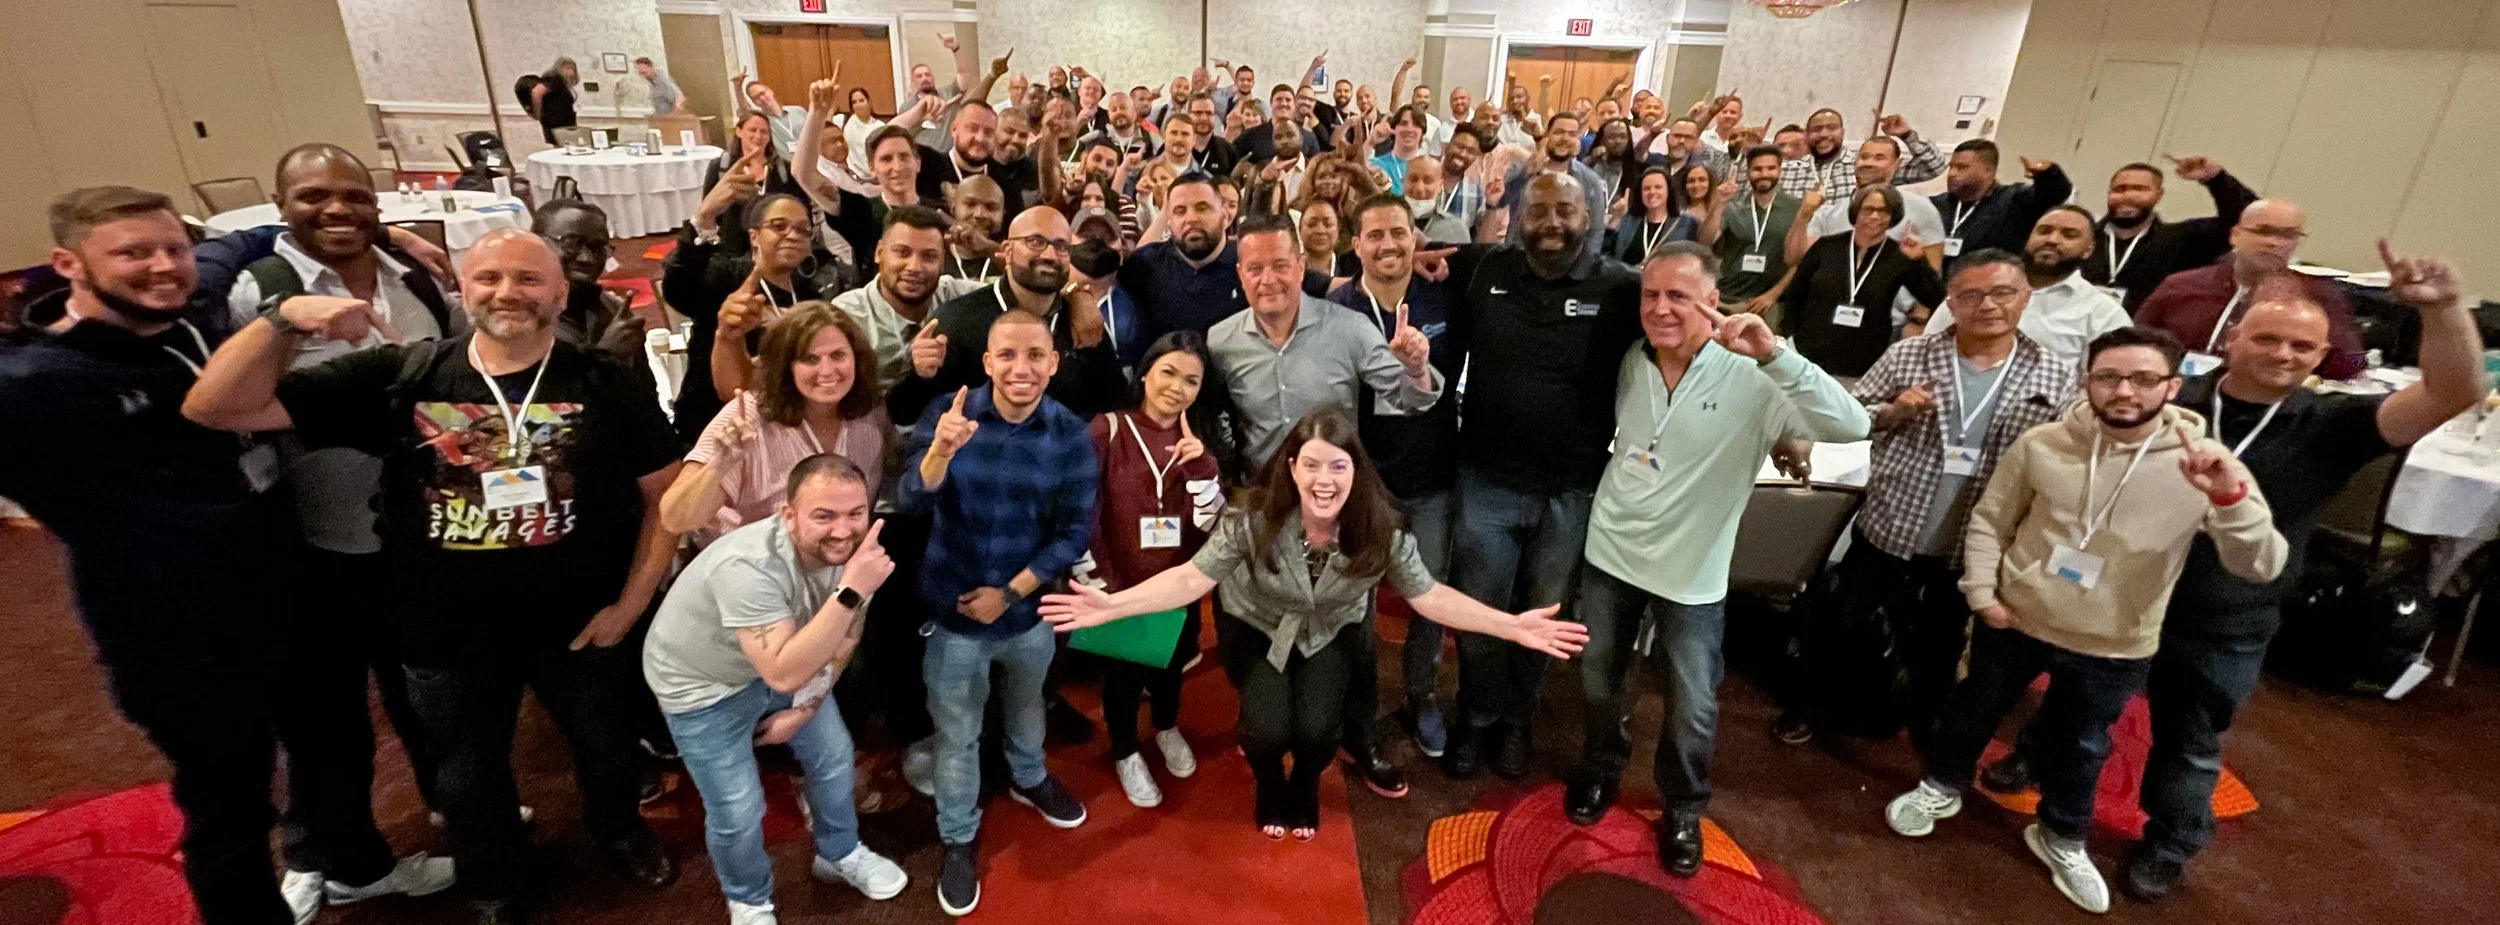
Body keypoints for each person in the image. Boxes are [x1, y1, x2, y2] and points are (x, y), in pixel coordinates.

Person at [183, 229, 686, 923]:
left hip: (581, 620)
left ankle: (620, 830)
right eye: (489, 278)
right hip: (443, 629)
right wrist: (279, 319)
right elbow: (214, 405)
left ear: (560, 292)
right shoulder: (402, 374)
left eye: (527, 278)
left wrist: (631, 604)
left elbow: (669, 496)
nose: (507, 292)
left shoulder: (603, 380)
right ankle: (495, 876)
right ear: (461, 288)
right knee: (467, 770)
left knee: (606, 749)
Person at [1, 186, 454, 925]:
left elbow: (248, 239)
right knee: (229, 799)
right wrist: (282, 317)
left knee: (333, 742)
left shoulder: (194, 303)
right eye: (133, 253)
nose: (162, 267)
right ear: (67, 263)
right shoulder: (34, 384)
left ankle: (354, 866)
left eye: (172, 248)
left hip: (289, 585)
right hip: (176, 630)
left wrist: (391, 235)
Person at [1977, 244, 2481, 902]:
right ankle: (2038, 758)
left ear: (2322, 355)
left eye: (2302, 346)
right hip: (2118, 598)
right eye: (2266, 336)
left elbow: (2455, 392)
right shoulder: (2168, 397)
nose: (2282, 354)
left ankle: (2169, 842)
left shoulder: (2335, 425)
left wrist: (2442, 309)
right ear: (2232, 337)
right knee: (2077, 701)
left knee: (2188, 742)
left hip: (2222, 614)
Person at [1883, 326, 2287, 915]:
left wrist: (2229, 499)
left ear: (2172, 387)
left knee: (2083, 742)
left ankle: (2061, 833)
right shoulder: (2043, 443)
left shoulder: (2205, 464)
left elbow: (2261, 565)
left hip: (2116, 639)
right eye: (2109, 376)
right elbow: (1992, 521)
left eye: (2144, 379)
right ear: (2087, 381)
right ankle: (1941, 786)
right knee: (1973, 708)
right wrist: (1980, 594)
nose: (2125, 390)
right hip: (2015, 617)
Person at [1042, 407, 1588, 841]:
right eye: (1311, 464)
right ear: (1291, 467)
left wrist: (1510, 625)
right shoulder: (1251, 519)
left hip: (1330, 630)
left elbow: (1430, 596)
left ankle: (1303, 783)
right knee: (1264, 731)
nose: (1324, 480)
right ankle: (1270, 781)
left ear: (1357, 471)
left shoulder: (1383, 530)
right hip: (1256, 628)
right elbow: (1191, 579)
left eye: (1338, 466)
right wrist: (1112, 606)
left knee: (1317, 731)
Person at [1562, 241, 1869, 875]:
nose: (1661, 308)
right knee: (1599, 680)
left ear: (1712, 300)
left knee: (1694, 702)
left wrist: (1776, 355)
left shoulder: (1755, 375)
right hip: (1611, 552)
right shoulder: (1630, 361)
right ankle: (1600, 769)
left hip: (1692, 572)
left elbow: (1850, 423)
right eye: (1651, 295)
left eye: (1679, 295)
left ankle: (1682, 807)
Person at [216, 147, 468, 913]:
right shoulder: (261, 290)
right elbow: (229, 403)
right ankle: (324, 854)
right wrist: (282, 317)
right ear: (278, 202)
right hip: (313, 540)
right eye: (314, 197)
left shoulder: (414, 279)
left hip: (417, 534)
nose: (336, 211)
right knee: (322, 717)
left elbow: (452, 379)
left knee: (423, 690)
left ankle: (448, 809)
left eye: (354, 197)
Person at [1787, 249, 2074, 746]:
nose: (1987, 305)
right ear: (1952, 302)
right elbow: (1849, 415)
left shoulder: (2055, 374)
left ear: (2025, 298)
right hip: (1892, 521)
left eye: (2002, 292)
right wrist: (1893, 411)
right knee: (1844, 621)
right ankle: (1813, 706)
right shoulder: (1909, 355)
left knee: (1941, 640)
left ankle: (1924, 716)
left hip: (1974, 538)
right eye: (1971, 295)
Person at [642, 455, 909, 925]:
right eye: (823, 515)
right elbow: (782, 673)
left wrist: (806, 708)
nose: (843, 531)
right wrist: (850, 590)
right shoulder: (749, 565)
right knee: (739, 808)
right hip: (701, 684)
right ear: (788, 514)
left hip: (785, 660)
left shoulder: (857, 554)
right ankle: (748, 899)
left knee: (834, 756)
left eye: (855, 513)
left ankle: (839, 853)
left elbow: (847, 634)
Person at [1438, 172, 1643, 780]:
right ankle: (1475, 718)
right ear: (1516, 216)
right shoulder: (1484, 271)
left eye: (1566, 210)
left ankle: (1517, 721)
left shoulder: (1621, 288)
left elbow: (1690, 336)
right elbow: (1410, 261)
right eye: (1538, 211)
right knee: (1482, 613)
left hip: (1571, 490)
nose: (1551, 222)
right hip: (1486, 482)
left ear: (1592, 216)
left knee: (1542, 617)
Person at [899, 311, 1099, 917]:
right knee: (957, 734)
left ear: (1053, 361)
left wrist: (1009, 593)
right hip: (954, 615)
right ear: (987, 363)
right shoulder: (949, 415)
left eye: (1035, 355)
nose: (1022, 368)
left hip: (1027, 613)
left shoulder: (1068, 434)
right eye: (1007, 355)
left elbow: (1071, 534)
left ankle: (1028, 775)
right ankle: (958, 838)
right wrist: (938, 452)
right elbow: (910, 499)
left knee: (1027, 706)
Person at [1328, 195, 1466, 761]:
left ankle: (1420, 693)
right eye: (1374, 235)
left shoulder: (1446, 291)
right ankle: (1355, 704)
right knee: (1355, 604)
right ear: (1355, 245)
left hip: (1432, 474)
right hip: (1363, 483)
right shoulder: (1335, 308)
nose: (1387, 244)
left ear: (1417, 239)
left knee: (1428, 599)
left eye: (1398, 233)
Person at [1069, 333, 1230, 808]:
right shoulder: (1107, 429)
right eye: (1169, 372)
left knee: (1172, 668)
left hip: (1176, 586)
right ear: (1145, 373)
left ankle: (1165, 726)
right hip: (1116, 583)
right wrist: (1101, 582)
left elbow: (1212, 525)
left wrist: (1202, 469)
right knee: (1121, 680)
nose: (1177, 387)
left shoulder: (1198, 444)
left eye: (1191, 380)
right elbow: (1082, 511)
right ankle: (1124, 751)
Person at [1208, 213, 1441, 464]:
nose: (1268, 280)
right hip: (1260, 494)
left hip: (1332, 491)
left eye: (1280, 266)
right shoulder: (1220, 341)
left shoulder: (1350, 329)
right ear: (1241, 275)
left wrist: (1416, 372)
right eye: (1255, 268)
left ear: (1300, 268)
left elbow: (1412, 402)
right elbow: (1211, 417)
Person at [662, 304, 889, 544]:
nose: (827, 370)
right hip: (750, 569)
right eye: (809, 359)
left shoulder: (871, 412)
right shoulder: (746, 416)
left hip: (838, 570)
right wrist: (718, 466)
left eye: (838, 355)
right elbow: (675, 520)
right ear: (785, 366)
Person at [886, 206, 1125, 423]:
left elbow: (1117, 405)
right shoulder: (958, 321)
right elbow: (903, 414)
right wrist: (919, 377)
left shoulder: (1084, 324)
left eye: (1061, 246)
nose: (1050, 255)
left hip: (1061, 463)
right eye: (1035, 241)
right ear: (1007, 251)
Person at [2133, 198, 2365, 380]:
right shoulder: (2182, 285)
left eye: (2287, 235)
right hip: (2179, 393)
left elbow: (2352, 366)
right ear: (2236, 235)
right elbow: (2133, 341)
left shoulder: (2317, 296)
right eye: (2264, 231)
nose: (2273, 242)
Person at [666, 191, 829, 443]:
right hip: (717, 423)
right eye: (778, 226)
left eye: (803, 229)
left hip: (783, 424)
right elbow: (680, 289)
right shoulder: (727, 276)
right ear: (754, 236)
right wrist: (704, 218)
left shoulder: (810, 293)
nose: (792, 235)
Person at [1122, 174, 1323, 341]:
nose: (1191, 218)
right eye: (1180, 211)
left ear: (1225, 215)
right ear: (1169, 221)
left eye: (1202, 208)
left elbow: (1328, 287)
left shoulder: (1253, 259)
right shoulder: (1144, 264)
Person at [1926, 206, 2130, 365]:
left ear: (2088, 250)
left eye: (2069, 234)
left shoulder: (2103, 313)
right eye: (2044, 231)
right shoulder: (1976, 290)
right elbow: (1927, 349)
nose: (2052, 239)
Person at [1778, 184, 1944, 377]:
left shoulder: (1899, 256)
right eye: (1868, 210)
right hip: (1809, 355)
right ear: (1855, 212)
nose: (1874, 217)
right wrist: (1789, 333)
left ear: (1894, 216)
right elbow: (1797, 292)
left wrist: (1919, 261)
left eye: (1883, 211)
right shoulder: (1826, 246)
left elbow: (1936, 298)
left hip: (1863, 362)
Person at [829, 206, 989, 388]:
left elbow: (1018, 291)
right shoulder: (847, 315)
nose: (914, 267)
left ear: (942, 262)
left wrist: (990, 248)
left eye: (929, 256)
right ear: (879, 253)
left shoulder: (960, 296)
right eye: (902, 252)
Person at [2081, 155, 2258, 310]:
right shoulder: (2080, 238)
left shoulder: (2181, 240)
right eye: (2120, 189)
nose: (2128, 195)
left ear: (2159, 195)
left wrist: (2216, 179)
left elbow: (2249, 219)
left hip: (2140, 339)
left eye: (2139, 189)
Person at [1933, 140, 2071, 272]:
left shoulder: (2013, 200)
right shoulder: (1936, 204)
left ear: (1988, 171)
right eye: (1951, 167)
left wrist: (2048, 175)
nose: (1952, 174)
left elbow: (2055, 194)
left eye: (1961, 167)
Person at [1492, 112, 1610, 264]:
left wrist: (1586, 266)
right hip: (1521, 258)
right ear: (1547, 135)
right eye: (1559, 132)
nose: (1564, 138)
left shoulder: (1589, 179)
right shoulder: (1522, 168)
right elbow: (1499, 201)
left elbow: (1595, 229)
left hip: (1569, 263)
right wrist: (1523, 176)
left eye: (1572, 134)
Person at [536, 201, 650, 358]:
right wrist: (605, 355)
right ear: (536, 243)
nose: (587, 259)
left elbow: (644, 382)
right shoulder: (518, 316)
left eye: (597, 247)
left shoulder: (613, 311)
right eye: (572, 243)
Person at [1700, 145, 1803, 317]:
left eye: (1771, 168)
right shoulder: (1733, 206)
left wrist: (1772, 295)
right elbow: (1705, 240)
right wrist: (1718, 203)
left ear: (1780, 171)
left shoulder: (1796, 208)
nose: (1764, 174)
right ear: (1748, 172)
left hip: (1770, 303)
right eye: (1757, 169)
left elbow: (1799, 261)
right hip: (1728, 298)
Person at [1778, 109, 1944, 200]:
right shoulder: (1788, 171)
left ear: (1842, 132)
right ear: (1807, 135)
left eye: (1831, 128)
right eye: (1816, 129)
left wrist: (1906, 134)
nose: (1824, 134)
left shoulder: (1865, 167)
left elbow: (1933, 168)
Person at [917, 101, 1045, 213]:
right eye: (973, 128)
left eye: (988, 132)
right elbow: (897, 141)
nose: (980, 138)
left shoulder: (1006, 186)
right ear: (954, 129)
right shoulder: (927, 165)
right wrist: (914, 118)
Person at [1604, 166, 1696, 265]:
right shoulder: (1627, 220)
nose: (1652, 192)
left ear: (1669, 191)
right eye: (1646, 188)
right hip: (1626, 279)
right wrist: (1616, 218)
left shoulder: (1685, 223)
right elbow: (1605, 256)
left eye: (1658, 187)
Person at [941, 174, 1007, 281]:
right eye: (971, 204)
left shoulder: (1014, 255)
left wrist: (987, 246)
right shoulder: (937, 253)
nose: (979, 214)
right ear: (953, 209)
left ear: (1002, 214)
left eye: (991, 207)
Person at [1371, 105, 1429, 195]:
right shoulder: (1377, 164)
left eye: (1416, 124)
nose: (1409, 129)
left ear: (1422, 132)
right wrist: (1371, 141)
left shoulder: (1430, 168)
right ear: (1393, 129)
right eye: (1404, 123)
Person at [530, 57, 581, 145]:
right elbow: (537, 91)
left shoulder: (561, 83)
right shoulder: (553, 79)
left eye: (572, 68)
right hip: (556, 124)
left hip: (563, 124)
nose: (571, 72)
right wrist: (537, 113)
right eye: (567, 68)